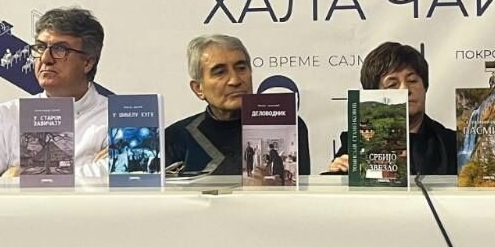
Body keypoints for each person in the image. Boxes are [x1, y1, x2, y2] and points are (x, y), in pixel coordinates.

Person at [0, 8, 109, 178]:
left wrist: (22, 176)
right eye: (40, 48)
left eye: (60, 49)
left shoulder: (116, 118)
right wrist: (90, 171)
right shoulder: (7, 114)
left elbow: (123, 175)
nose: (45, 59)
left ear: (87, 62)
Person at [165, 34, 312, 176]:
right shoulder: (176, 137)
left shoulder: (286, 125)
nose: (235, 81)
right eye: (220, 72)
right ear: (198, 88)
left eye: (241, 68)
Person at [327, 41, 458, 176]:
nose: (405, 89)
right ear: (375, 95)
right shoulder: (356, 144)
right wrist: (338, 174)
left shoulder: (452, 144)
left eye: (412, 81)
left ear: (425, 87)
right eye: (392, 85)